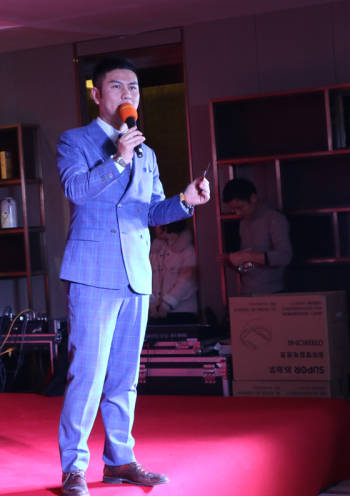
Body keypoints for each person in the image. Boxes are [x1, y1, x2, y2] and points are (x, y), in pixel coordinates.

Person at [56, 56, 210, 494]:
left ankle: (120, 460)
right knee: (87, 375)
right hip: (92, 273)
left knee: (125, 376)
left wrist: (185, 201)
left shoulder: (147, 151)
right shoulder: (75, 141)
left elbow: (151, 212)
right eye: (118, 87)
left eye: (134, 88)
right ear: (96, 94)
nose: (128, 95)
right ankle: (74, 467)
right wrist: (118, 160)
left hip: (135, 274)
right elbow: (75, 190)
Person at [222, 178, 292, 295]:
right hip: (248, 292)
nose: (237, 213)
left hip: (273, 293)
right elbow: (250, 266)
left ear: (253, 198)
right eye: (233, 209)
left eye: (240, 207)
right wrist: (232, 263)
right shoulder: (244, 223)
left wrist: (247, 256)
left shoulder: (274, 219)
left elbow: (285, 256)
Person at [149, 220, 199, 324]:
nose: (154, 227)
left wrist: (167, 303)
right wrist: (152, 303)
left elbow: (187, 281)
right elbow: (148, 281)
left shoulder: (187, 250)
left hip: (182, 312)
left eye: (157, 224)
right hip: (156, 312)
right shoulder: (155, 251)